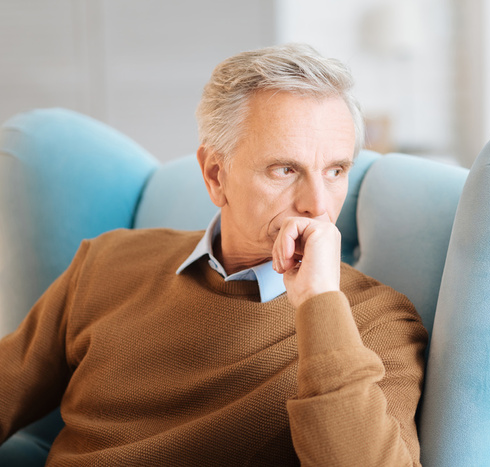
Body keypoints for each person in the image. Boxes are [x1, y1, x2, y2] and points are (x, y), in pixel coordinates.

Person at [0, 44, 428, 466]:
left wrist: (319, 304)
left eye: (336, 170)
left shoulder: (378, 322)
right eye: (285, 169)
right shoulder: (107, 261)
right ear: (215, 175)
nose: (317, 204)